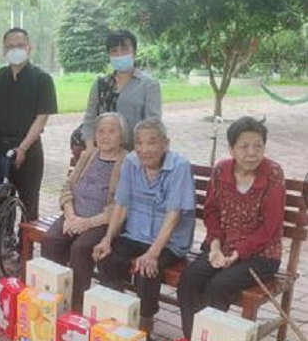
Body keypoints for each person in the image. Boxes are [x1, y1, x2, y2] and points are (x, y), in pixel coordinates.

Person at [177, 117, 284, 339]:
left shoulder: (273, 173)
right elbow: (212, 212)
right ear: (231, 149)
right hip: (221, 247)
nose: (252, 153)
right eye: (244, 146)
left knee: (219, 286)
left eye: (258, 146)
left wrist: (236, 253)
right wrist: (215, 247)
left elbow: (270, 228)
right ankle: (193, 336)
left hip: (261, 254)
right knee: (189, 279)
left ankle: (207, 336)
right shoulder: (221, 170)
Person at [92, 118, 196, 334]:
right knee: (107, 259)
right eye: (139, 143)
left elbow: (173, 215)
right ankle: (118, 316)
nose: (144, 149)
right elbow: (121, 205)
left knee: (146, 269)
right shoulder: (131, 162)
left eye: (152, 142)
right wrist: (107, 239)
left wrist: (153, 253)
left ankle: (145, 324)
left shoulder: (179, 167)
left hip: (169, 241)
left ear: (165, 144)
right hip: (135, 234)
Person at [41, 113, 128, 312]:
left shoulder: (127, 162)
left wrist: (87, 223)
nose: (105, 136)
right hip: (74, 215)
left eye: (112, 131)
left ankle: (76, 306)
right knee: (51, 239)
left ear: (121, 137)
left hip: (101, 222)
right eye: (101, 131)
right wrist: (70, 215)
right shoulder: (88, 155)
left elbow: (120, 204)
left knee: (80, 249)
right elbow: (67, 187)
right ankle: (53, 296)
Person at [0, 28, 57, 221]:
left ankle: (26, 250)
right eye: (10, 46)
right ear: (4, 50)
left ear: (29, 48)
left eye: (20, 45)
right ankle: (3, 247)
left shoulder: (42, 79)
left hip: (28, 149)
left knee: (29, 203)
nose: (15, 49)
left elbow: (41, 118)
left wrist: (22, 148)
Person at [74, 30, 161, 159]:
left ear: (134, 52)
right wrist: (90, 148)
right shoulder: (101, 84)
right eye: (114, 51)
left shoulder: (149, 85)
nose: (120, 54)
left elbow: (153, 124)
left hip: (135, 156)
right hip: (102, 154)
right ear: (109, 54)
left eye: (125, 49)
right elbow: (90, 119)